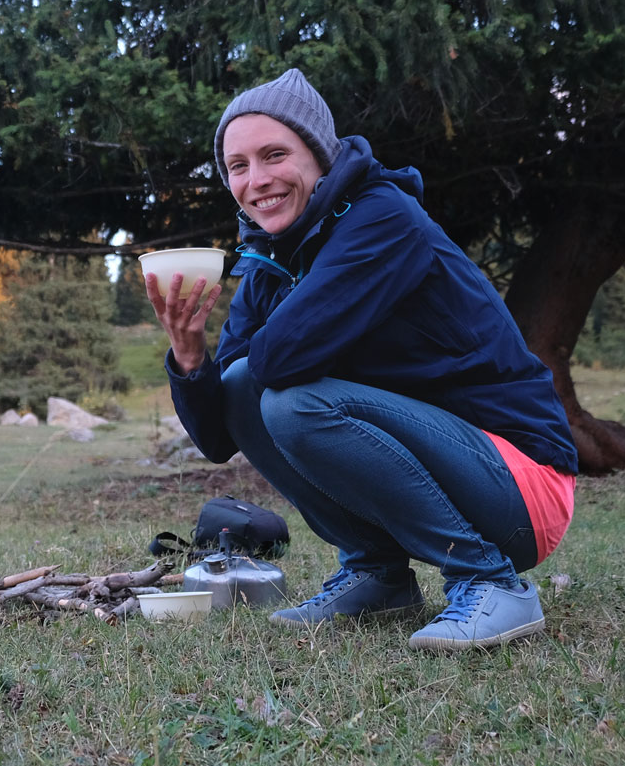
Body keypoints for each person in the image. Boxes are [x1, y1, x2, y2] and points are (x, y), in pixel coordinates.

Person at [150, 69, 577, 650]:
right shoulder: (269, 256)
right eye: (238, 166)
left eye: (275, 154)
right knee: (252, 389)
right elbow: (223, 431)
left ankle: (489, 580)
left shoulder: (382, 219)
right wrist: (189, 352)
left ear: (321, 156)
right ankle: (378, 575)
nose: (257, 180)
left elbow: (278, 366)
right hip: (460, 468)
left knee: (292, 403)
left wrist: (271, 298)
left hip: (523, 483)